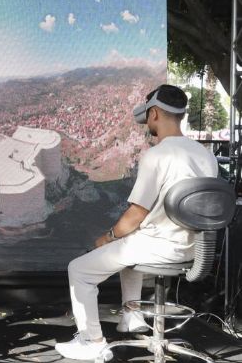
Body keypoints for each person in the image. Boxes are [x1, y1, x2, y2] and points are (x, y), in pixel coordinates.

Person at [55, 84, 218, 360]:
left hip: (160, 246)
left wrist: (106, 238)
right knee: (129, 245)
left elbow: (134, 216)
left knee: (79, 269)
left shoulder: (158, 155)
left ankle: (91, 341)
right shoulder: (206, 154)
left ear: (153, 114)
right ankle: (132, 318)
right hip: (196, 249)